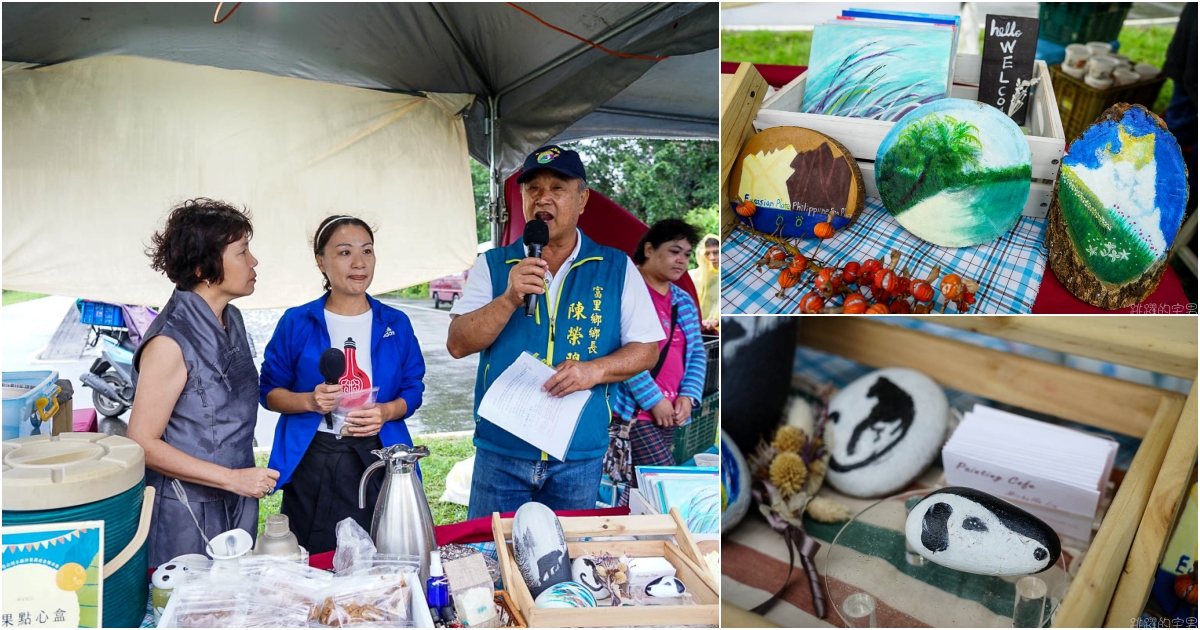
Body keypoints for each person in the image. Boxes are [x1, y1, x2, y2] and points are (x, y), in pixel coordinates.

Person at [447, 144, 664, 519]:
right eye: (533, 189)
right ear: (521, 199)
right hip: (502, 451)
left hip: (577, 453)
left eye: (558, 188)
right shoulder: (494, 265)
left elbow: (647, 349)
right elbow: (457, 343)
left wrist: (594, 371)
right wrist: (509, 298)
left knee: (564, 566)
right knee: (494, 559)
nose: (543, 198)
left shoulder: (616, 267)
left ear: (582, 199)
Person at [260, 215, 426, 554]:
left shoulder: (395, 322)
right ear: (321, 261)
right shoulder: (298, 322)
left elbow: (413, 388)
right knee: (314, 554)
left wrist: (385, 411)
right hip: (315, 457)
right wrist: (309, 401)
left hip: (379, 454)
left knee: (382, 551)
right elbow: (269, 392)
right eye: (345, 252)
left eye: (367, 251)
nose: (359, 262)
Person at [128, 198, 274, 567]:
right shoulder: (169, 342)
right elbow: (142, 442)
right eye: (242, 252)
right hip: (185, 511)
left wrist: (239, 483)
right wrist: (231, 479)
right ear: (203, 267)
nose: (253, 261)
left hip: (237, 496)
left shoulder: (233, 318)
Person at [611, 220, 707, 472]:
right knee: (664, 476)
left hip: (671, 412)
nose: (682, 260)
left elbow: (697, 352)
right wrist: (654, 400)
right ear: (649, 250)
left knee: (637, 486)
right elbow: (621, 350)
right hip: (634, 411)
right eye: (674, 251)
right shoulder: (624, 291)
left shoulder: (683, 300)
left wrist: (688, 396)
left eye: (686, 254)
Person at [689, 233, 720, 333]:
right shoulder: (693, 276)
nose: (712, 257)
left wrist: (717, 321)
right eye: (707, 254)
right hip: (696, 331)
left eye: (716, 252)